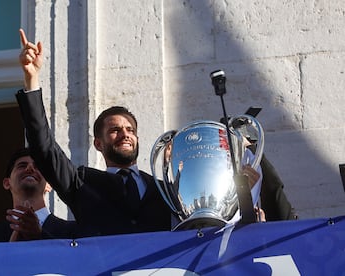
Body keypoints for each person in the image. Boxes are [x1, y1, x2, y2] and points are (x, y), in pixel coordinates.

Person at [15, 29, 264, 236]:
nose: (124, 134)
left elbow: (211, 230)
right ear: (98, 144)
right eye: (114, 130)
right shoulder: (82, 182)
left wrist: (242, 193)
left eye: (130, 130)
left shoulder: (168, 188)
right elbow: (43, 147)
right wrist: (32, 79)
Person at [0, 148, 80, 243]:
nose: (29, 168)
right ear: (7, 183)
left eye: (37, 167)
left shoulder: (72, 233)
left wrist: (39, 236)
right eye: (22, 166)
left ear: (49, 185)